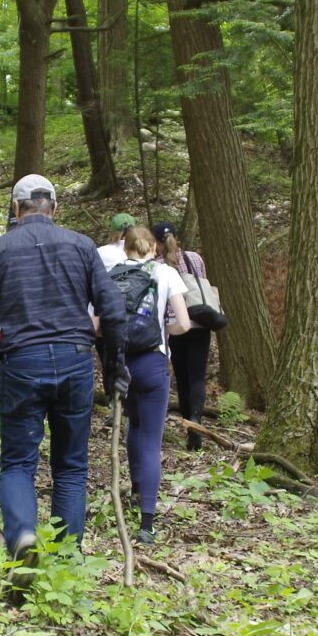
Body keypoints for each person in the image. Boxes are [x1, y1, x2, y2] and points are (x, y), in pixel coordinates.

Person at [0, 175, 125, 591]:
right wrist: (113, 366)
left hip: (22, 363)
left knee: (18, 462)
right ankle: (67, 559)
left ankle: (22, 538)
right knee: (71, 465)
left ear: (16, 210)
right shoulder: (81, 246)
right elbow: (112, 308)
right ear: (53, 207)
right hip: (75, 361)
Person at [109, 225, 191, 545]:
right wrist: (163, 331)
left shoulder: (112, 273)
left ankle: (134, 490)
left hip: (123, 363)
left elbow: (98, 326)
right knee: (151, 440)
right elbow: (183, 324)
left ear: (125, 247)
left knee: (134, 425)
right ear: (153, 248)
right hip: (153, 362)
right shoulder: (166, 272)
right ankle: (147, 523)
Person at [153, 222, 213, 450]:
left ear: (156, 242)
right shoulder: (195, 258)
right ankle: (196, 421)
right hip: (201, 320)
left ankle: (189, 423)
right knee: (197, 376)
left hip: (174, 325)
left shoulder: (156, 266)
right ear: (177, 238)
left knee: (182, 376)